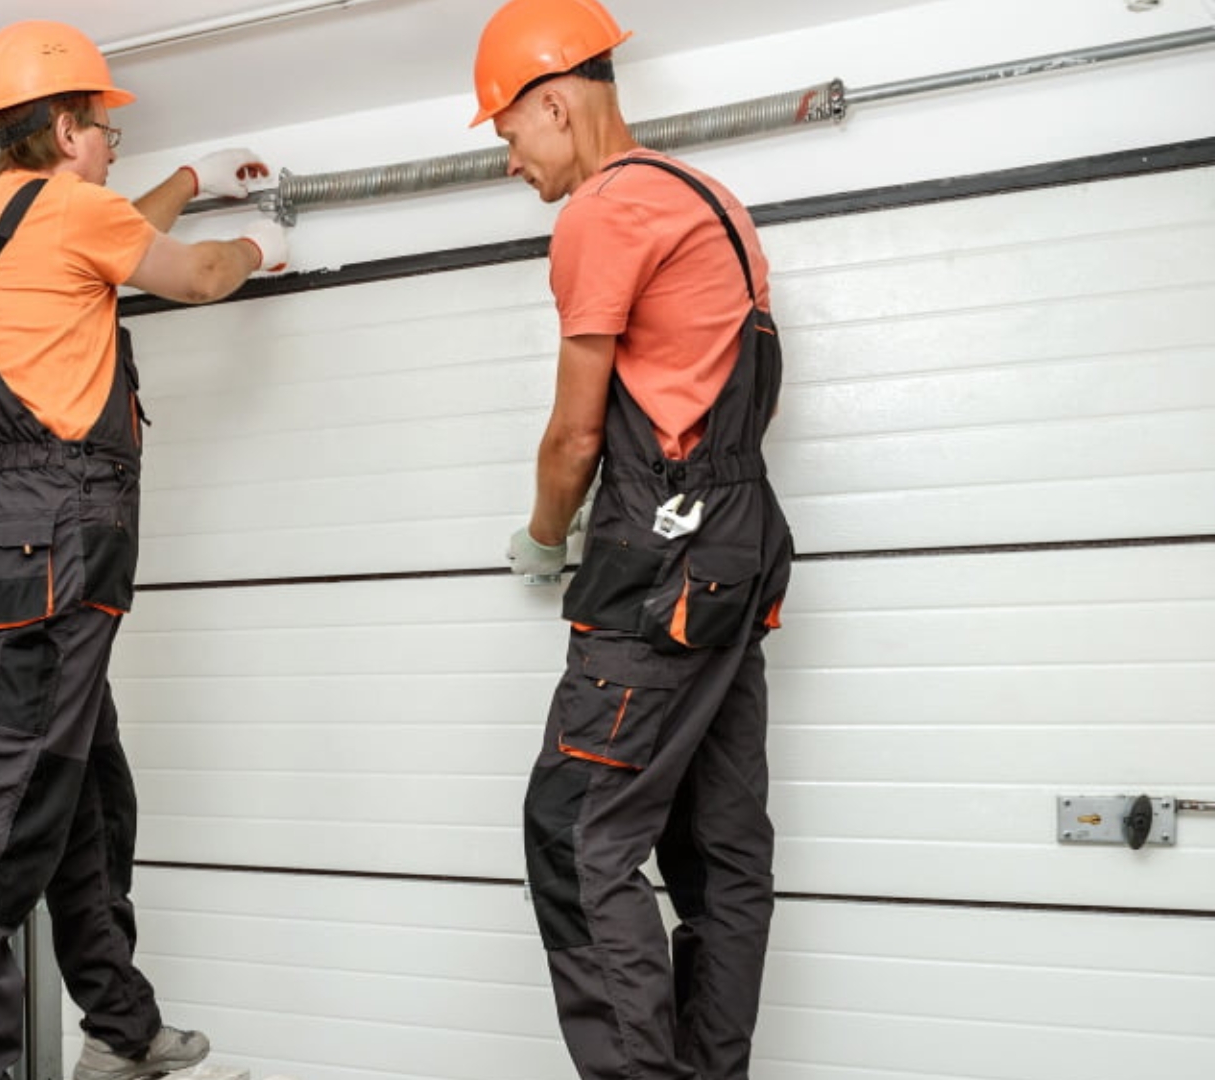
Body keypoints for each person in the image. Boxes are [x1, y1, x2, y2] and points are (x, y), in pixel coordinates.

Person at [0, 19, 288, 1080]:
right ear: (68, 129)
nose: (112, 144)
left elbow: (118, 234)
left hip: (12, 541)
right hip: (54, 537)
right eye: (106, 129)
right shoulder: (69, 213)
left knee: (86, 791)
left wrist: (190, 175)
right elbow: (196, 274)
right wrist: (261, 246)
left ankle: (120, 1029)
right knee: (8, 814)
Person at [473, 1, 793, 1078]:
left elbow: (575, 434)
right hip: (734, 543)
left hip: (659, 553)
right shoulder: (713, 200)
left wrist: (541, 538)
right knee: (717, 849)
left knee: (572, 834)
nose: (513, 163)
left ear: (556, 102)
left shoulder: (605, 213)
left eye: (511, 137)